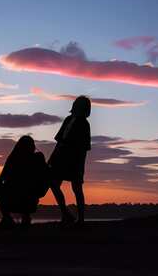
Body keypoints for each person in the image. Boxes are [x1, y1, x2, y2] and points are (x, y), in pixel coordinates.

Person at [48, 96, 91, 225]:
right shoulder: (68, 120)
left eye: (77, 104)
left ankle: (81, 219)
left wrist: (80, 164)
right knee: (54, 184)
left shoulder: (84, 123)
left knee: (76, 188)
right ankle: (65, 213)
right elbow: (60, 141)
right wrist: (52, 158)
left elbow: (84, 147)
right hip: (61, 158)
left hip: (75, 160)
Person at [0, 135, 48, 228]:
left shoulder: (19, 158)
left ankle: (9, 217)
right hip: (24, 194)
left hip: (26, 194)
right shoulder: (16, 158)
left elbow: (1, 178)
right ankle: (15, 217)